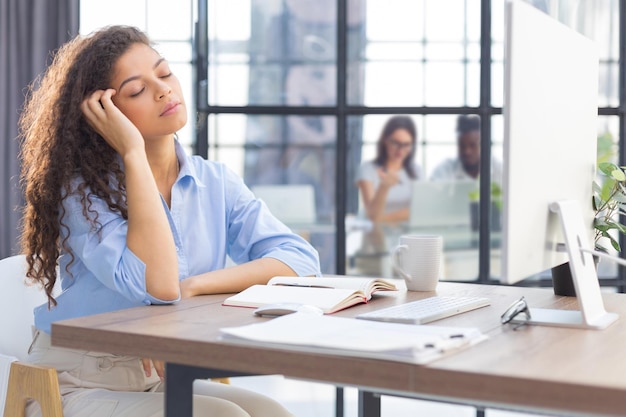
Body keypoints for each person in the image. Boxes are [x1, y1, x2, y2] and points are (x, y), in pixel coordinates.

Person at [18, 25, 321, 417]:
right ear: (104, 115)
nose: (163, 90)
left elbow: (300, 259)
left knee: (271, 412)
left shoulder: (214, 181)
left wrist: (193, 286)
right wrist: (131, 152)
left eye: (163, 74)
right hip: (77, 383)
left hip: (162, 377)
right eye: (136, 90)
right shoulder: (83, 195)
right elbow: (159, 286)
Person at [355, 115, 422, 224]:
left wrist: (383, 219)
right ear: (385, 140)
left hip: (406, 234)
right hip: (375, 236)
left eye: (406, 145)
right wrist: (384, 186)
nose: (400, 150)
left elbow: (421, 210)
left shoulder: (417, 171)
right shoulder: (368, 169)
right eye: (396, 143)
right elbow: (372, 215)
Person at [430, 115, 503, 183]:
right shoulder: (445, 170)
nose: (467, 151)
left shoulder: (500, 171)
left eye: (473, 145)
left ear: (485, 144)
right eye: (462, 146)